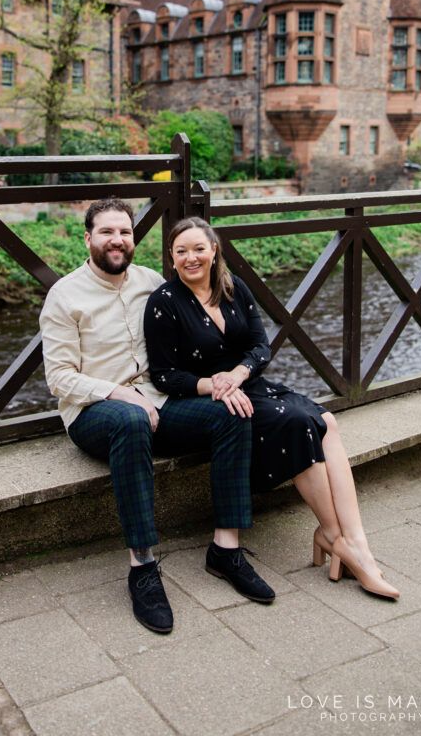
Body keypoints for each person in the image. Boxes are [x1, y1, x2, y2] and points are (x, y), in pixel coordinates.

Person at [39, 198, 275, 635]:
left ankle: (226, 549)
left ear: (134, 239)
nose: (117, 240)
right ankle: (142, 566)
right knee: (129, 422)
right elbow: (59, 379)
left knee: (231, 414)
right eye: (107, 232)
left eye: (125, 232)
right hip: (95, 412)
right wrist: (119, 394)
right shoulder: (64, 295)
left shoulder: (151, 283)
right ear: (88, 238)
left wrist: (226, 379)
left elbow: (197, 318)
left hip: (160, 401)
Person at [144, 216, 400, 601]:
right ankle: (334, 537)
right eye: (181, 251)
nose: (191, 258)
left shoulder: (233, 287)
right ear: (171, 257)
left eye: (199, 248)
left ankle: (355, 541)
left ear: (214, 251)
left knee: (326, 420)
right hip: (205, 398)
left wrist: (239, 371)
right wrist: (214, 383)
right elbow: (164, 375)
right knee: (297, 421)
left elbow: (261, 347)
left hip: (249, 385)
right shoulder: (163, 302)